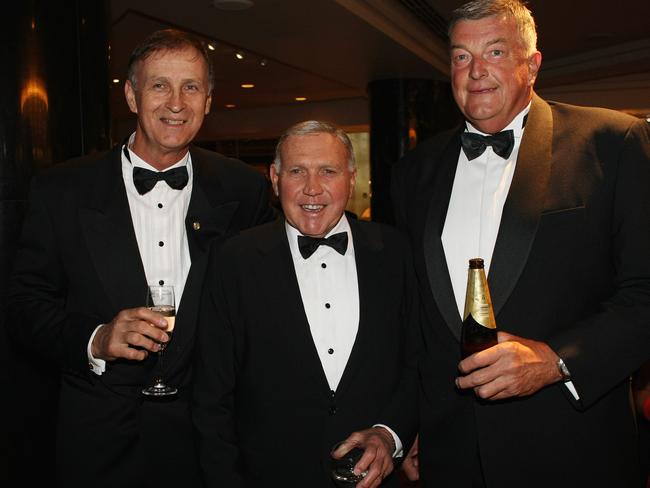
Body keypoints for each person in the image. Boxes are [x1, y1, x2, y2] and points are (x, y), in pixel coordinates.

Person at [391, 1, 650, 487]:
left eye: (494, 51)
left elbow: (645, 294)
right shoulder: (415, 171)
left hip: (572, 450)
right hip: (450, 457)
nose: (476, 71)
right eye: (461, 57)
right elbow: (415, 323)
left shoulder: (615, 143)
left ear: (532, 65)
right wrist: (409, 427)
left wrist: (556, 360)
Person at [6, 28, 273, 487]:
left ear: (208, 100)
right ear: (131, 95)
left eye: (191, 87)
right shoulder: (62, 189)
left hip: (206, 440)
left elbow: (260, 307)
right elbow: (24, 304)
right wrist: (96, 338)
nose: (176, 102)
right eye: (159, 85)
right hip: (99, 441)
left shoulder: (243, 190)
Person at [192, 120, 418, 487]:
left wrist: (390, 434)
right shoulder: (234, 260)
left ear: (351, 178)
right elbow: (211, 394)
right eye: (297, 172)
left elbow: (417, 361)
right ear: (275, 179)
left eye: (328, 171)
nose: (312, 189)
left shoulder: (396, 252)